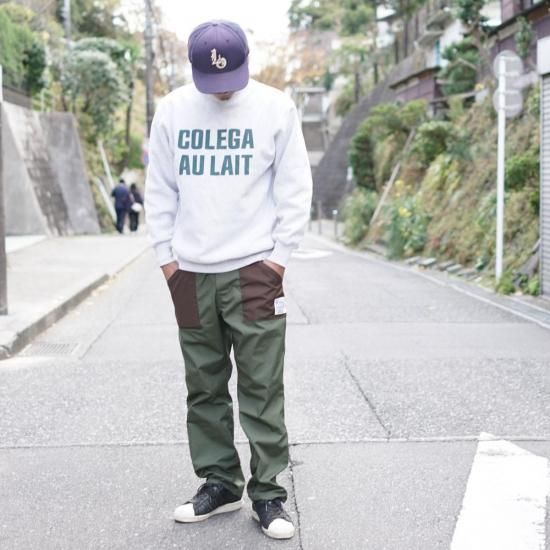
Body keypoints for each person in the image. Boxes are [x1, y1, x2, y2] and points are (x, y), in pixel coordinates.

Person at [144, 19, 312, 541]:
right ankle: (219, 483)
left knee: (261, 386)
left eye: (229, 79)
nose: (221, 90)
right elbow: (160, 189)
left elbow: (294, 186)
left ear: (246, 63)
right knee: (204, 387)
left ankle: (269, 493)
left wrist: (278, 260)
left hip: (254, 270)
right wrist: (167, 261)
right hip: (191, 273)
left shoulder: (275, 108)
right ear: (193, 69)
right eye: (211, 81)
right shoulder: (173, 110)